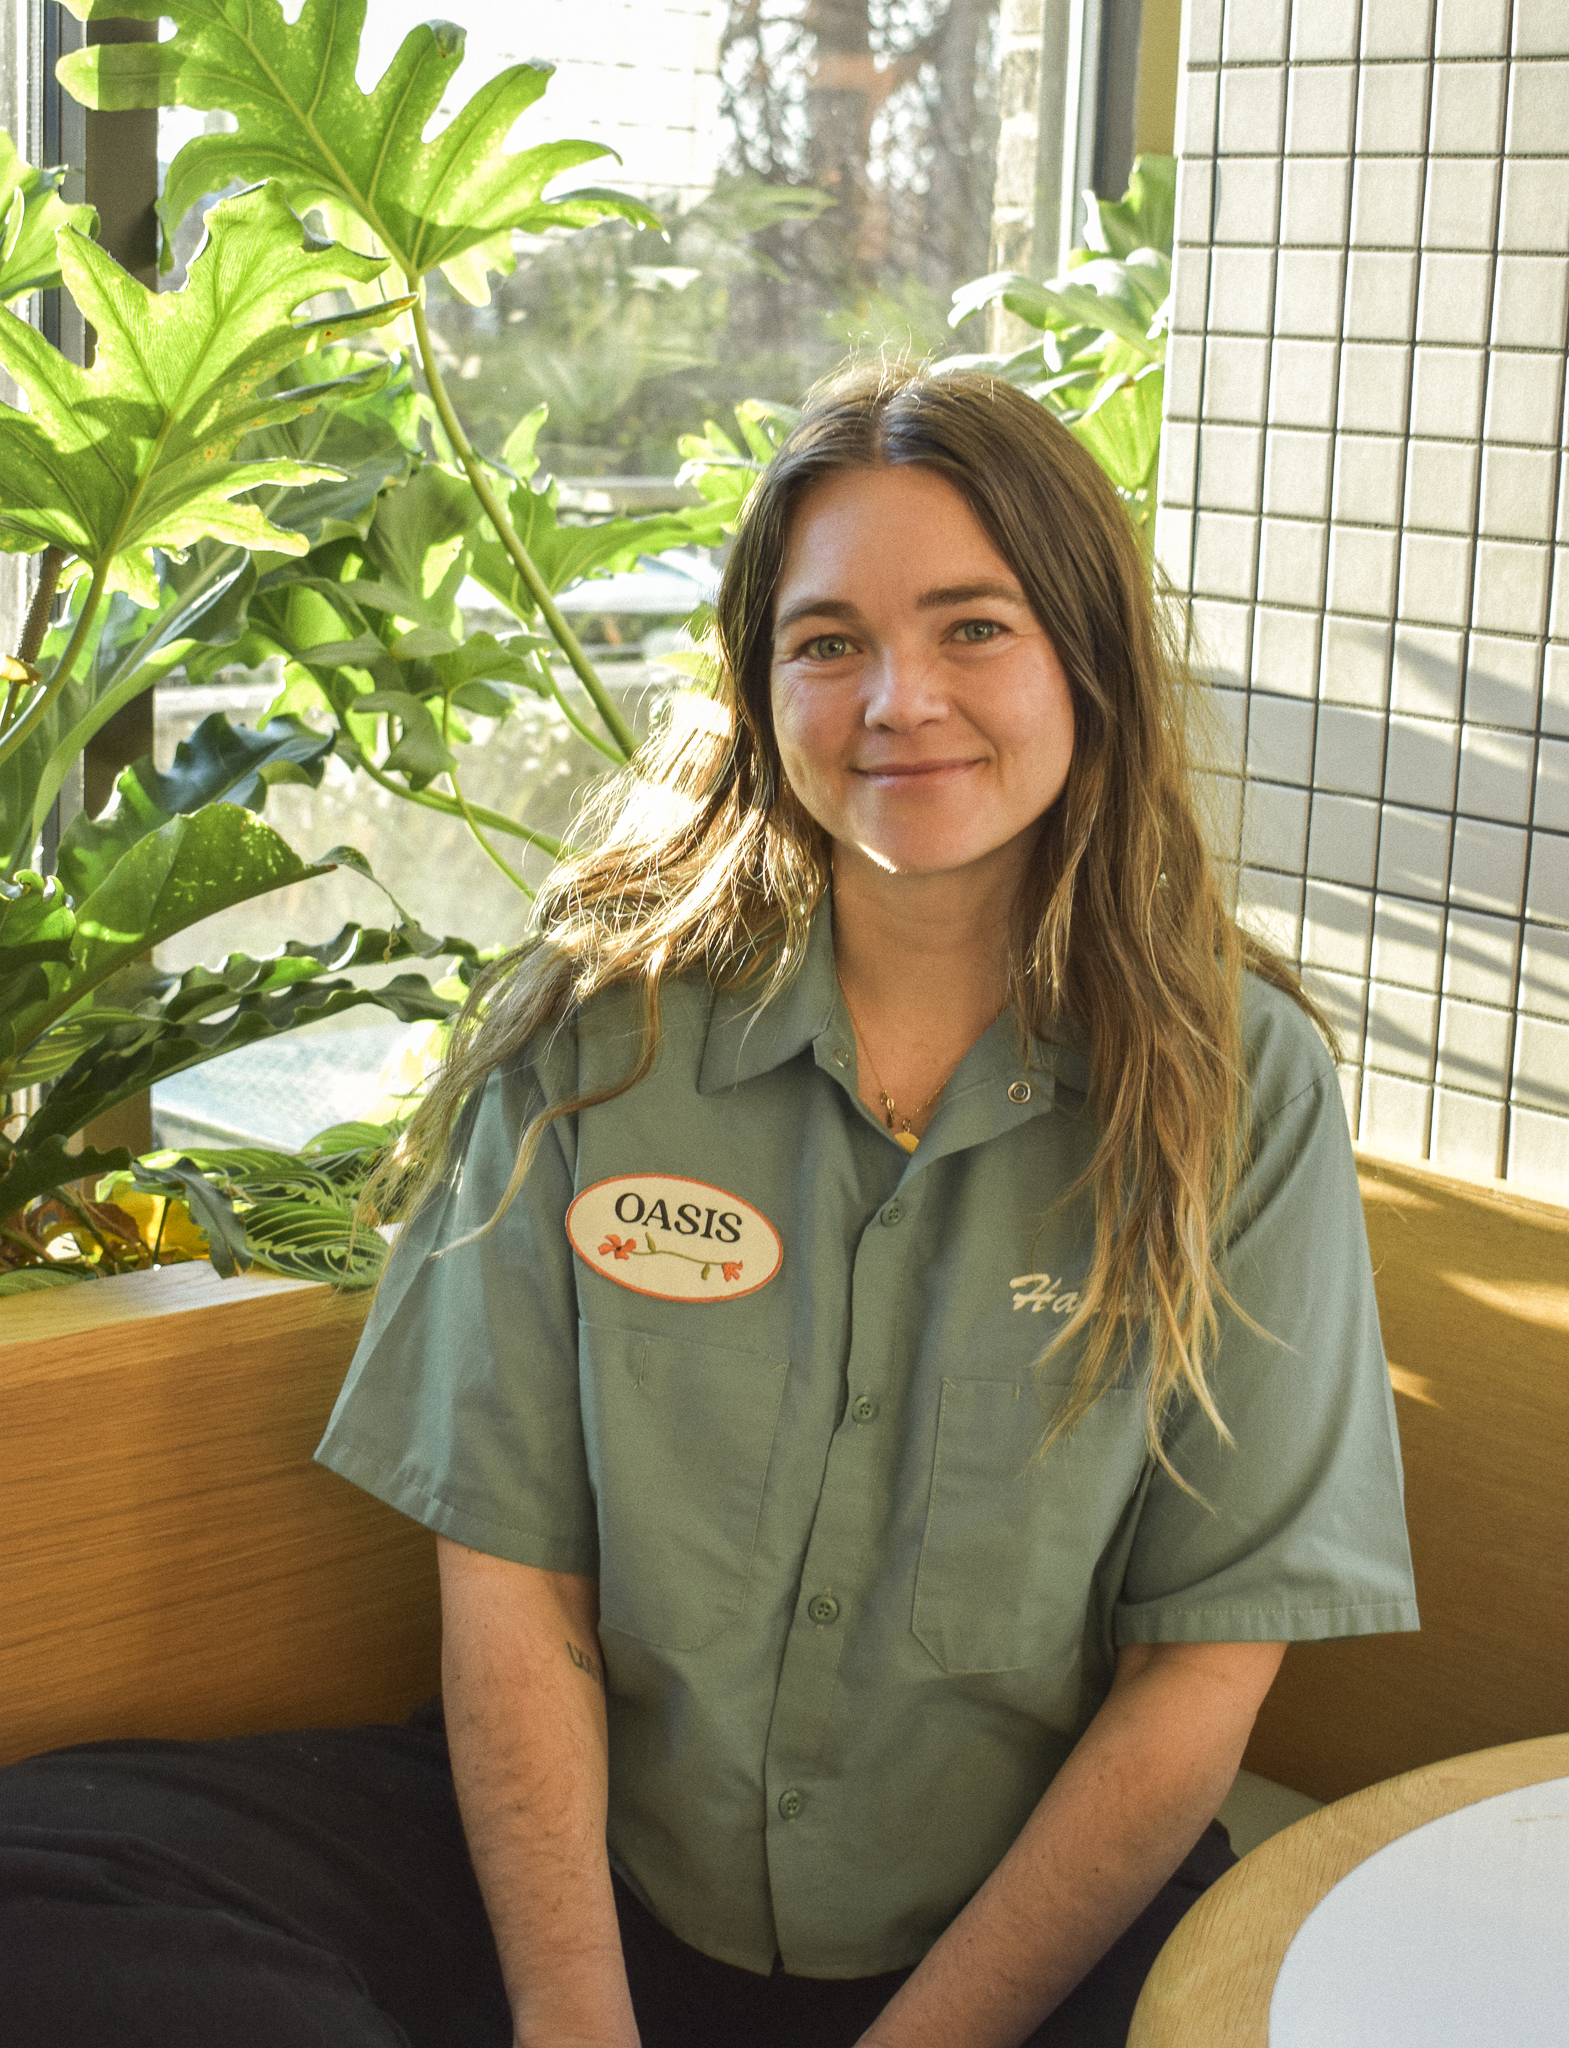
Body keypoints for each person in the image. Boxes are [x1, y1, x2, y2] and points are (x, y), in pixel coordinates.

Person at [0, 364, 1418, 2048]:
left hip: (1014, 1931)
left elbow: (1205, 1672)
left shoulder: (1231, 1083)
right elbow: (513, 1586)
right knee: (47, 1881)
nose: (901, 699)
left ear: (1087, 662)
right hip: (588, 1883)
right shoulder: (599, 1037)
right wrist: (574, 2021)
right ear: (759, 684)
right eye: (829, 643)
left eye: (976, 627)